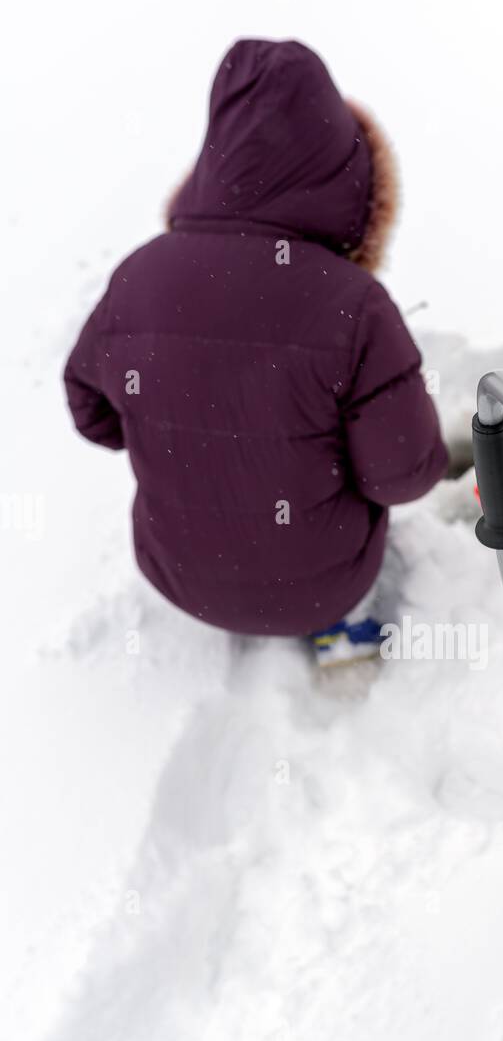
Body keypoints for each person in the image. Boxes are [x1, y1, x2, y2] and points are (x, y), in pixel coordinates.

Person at [63, 38, 448, 663]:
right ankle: (347, 634)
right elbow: (403, 474)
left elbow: (91, 412)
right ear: (346, 172)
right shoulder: (354, 304)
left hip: (175, 576)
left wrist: (174, 431)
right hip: (323, 586)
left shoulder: (136, 277)